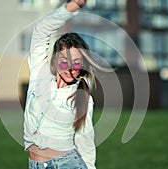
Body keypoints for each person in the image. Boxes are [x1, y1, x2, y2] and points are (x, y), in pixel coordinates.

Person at [24, 0, 110, 168]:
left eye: (76, 63)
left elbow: (85, 142)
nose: (70, 68)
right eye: (64, 62)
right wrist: (71, 8)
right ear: (55, 61)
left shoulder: (83, 98)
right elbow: (41, 31)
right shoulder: (39, 77)